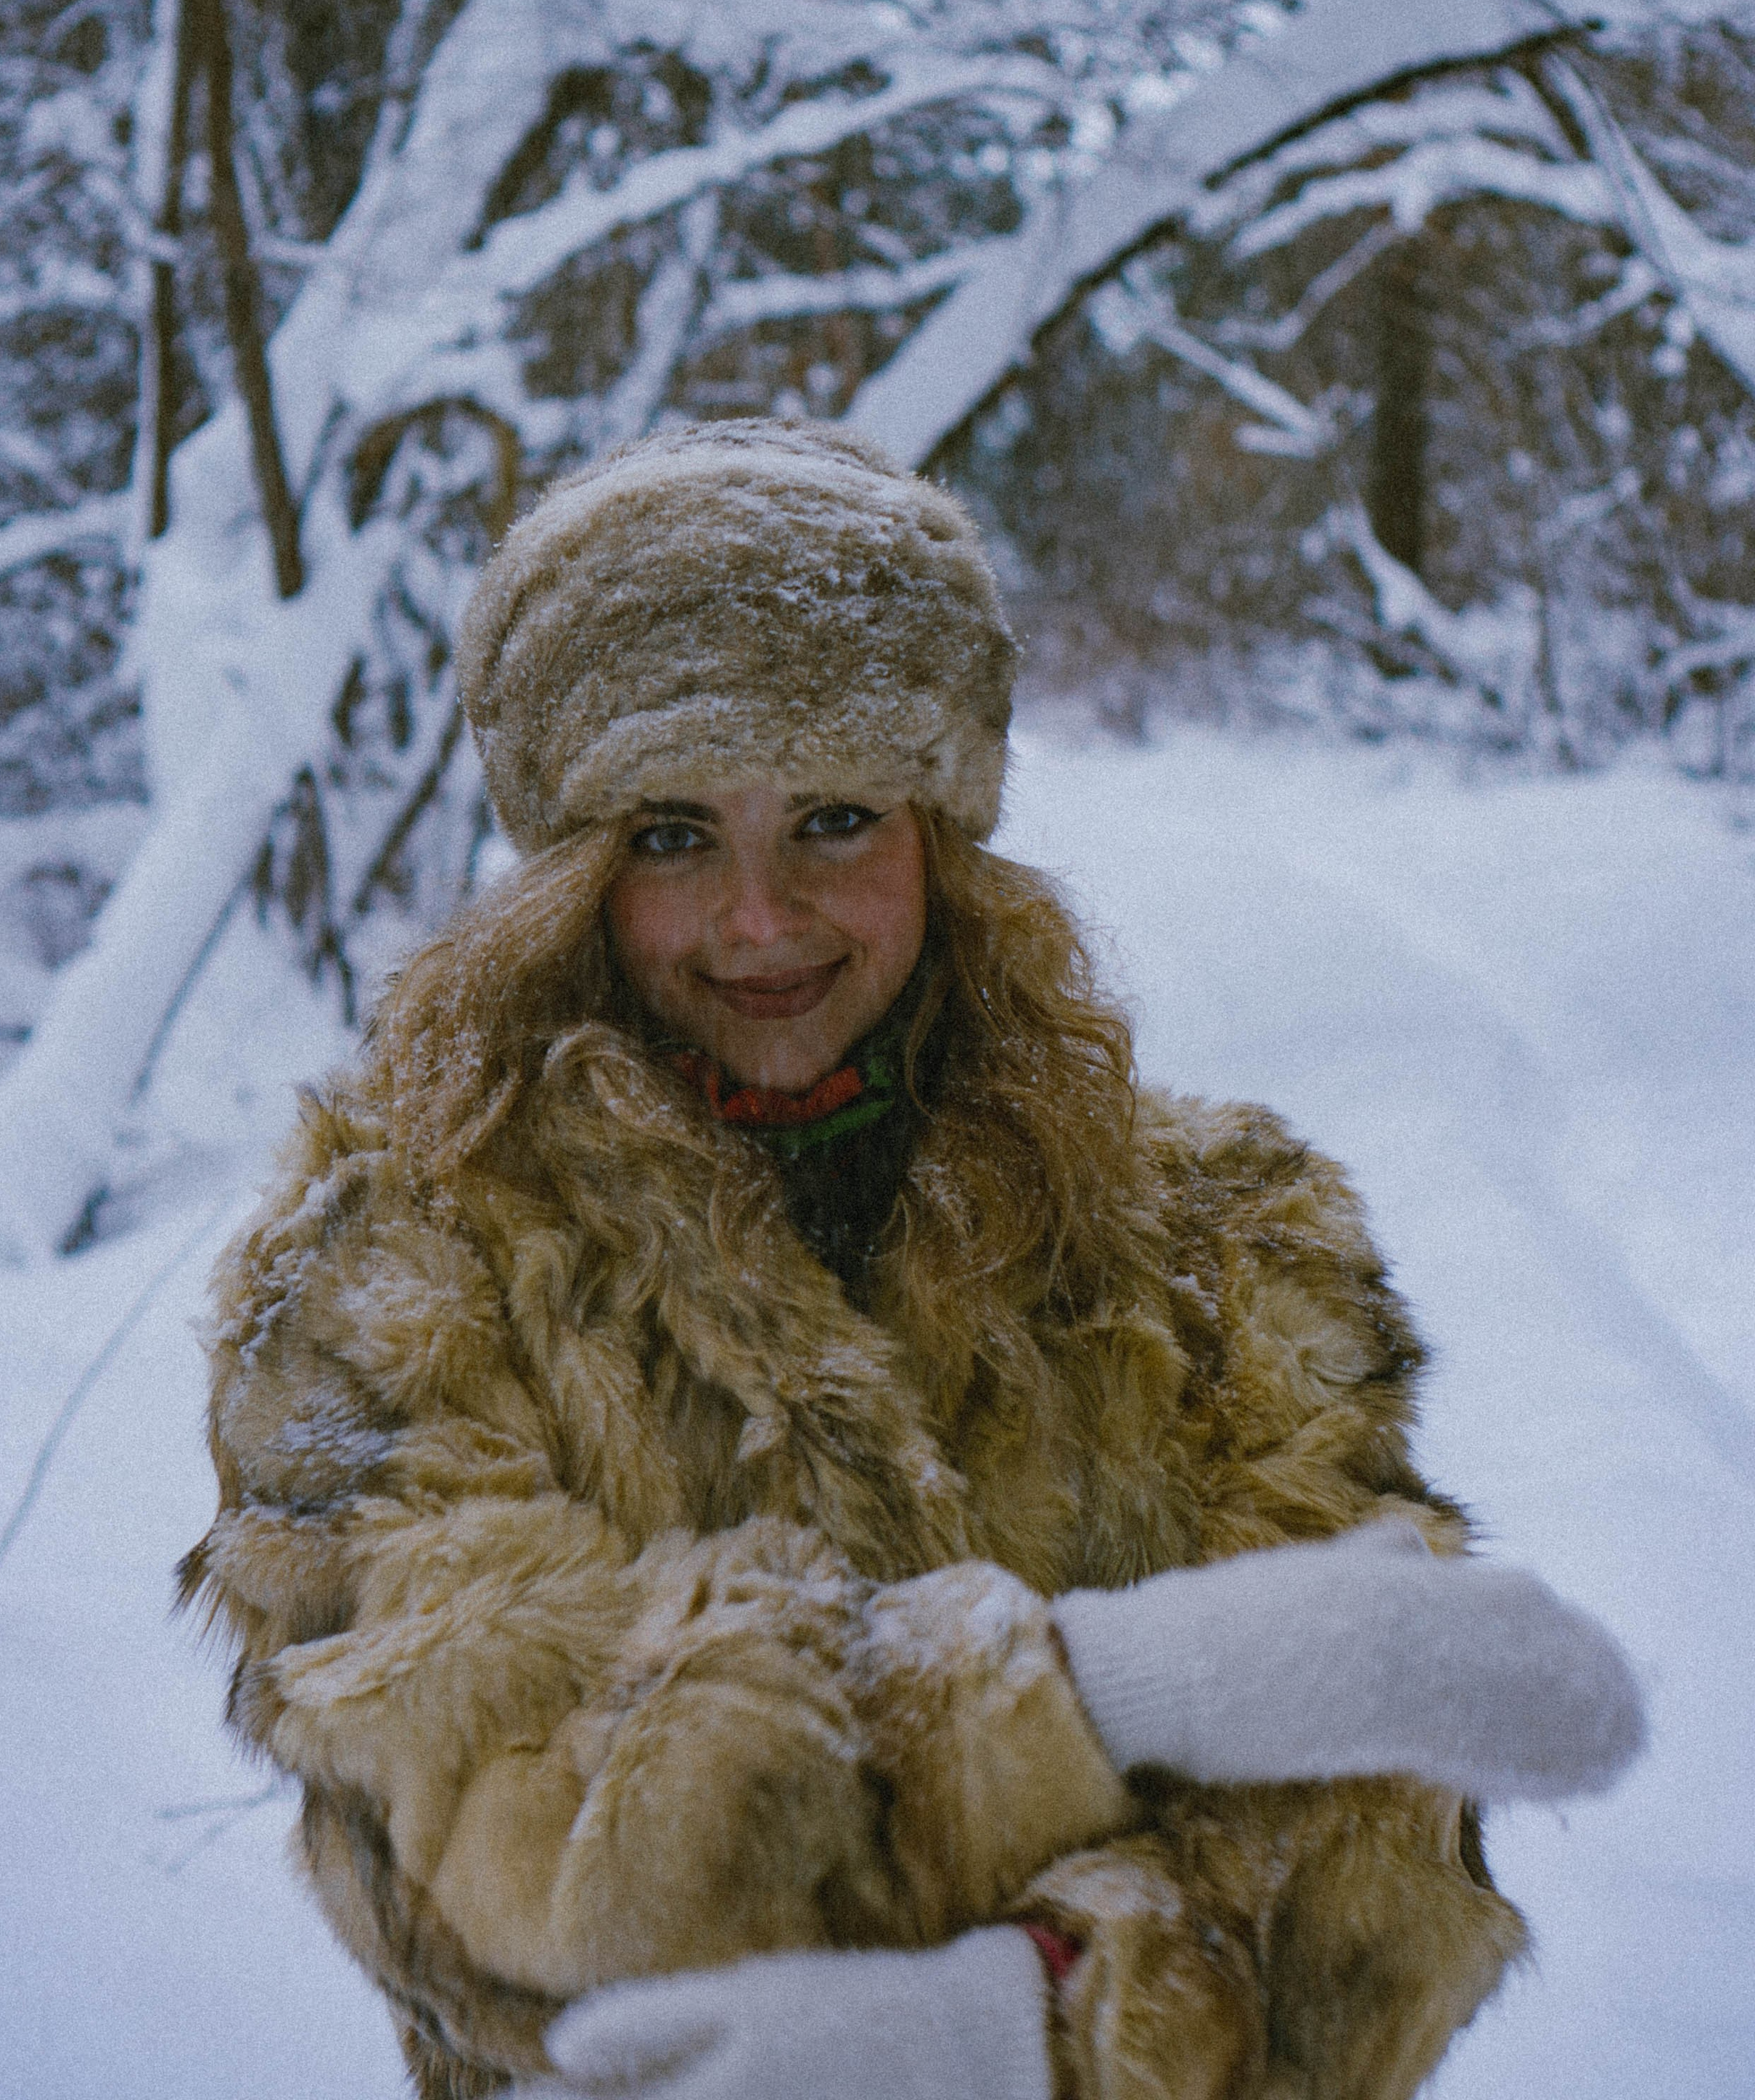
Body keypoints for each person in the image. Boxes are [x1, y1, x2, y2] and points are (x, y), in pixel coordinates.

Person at [181, 423, 1643, 2100]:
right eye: (669, 832)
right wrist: (1112, 1693)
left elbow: (1367, 1876)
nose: (758, 918)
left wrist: (1032, 2023)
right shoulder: (389, 1278)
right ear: (565, 871)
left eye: (830, 817)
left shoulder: (1226, 1241)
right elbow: (500, 1859)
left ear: (941, 829)